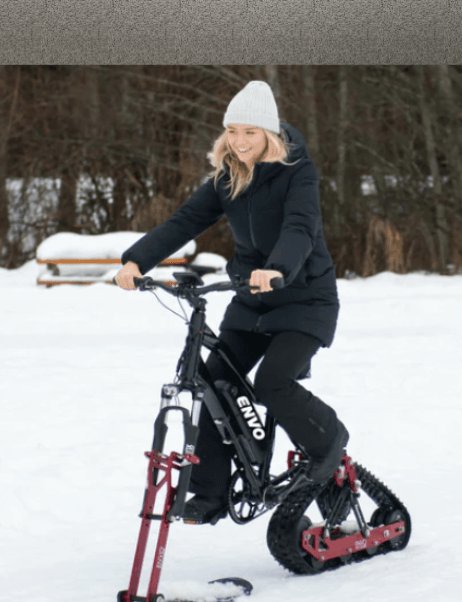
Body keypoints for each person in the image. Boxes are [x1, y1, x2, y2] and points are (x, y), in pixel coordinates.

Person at [115, 80, 348, 524]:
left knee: (273, 383)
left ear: (270, 135)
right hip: (252, 301)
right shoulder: (227, 176)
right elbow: (186, 220)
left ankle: (328, 441)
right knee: (209, 384)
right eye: (233, 132)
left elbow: (300, 227)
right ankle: (211, 494)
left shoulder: (298, 171)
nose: (240, 142)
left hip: (304, 298)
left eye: (251, 133)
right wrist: (136, 261)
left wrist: (277, 268)